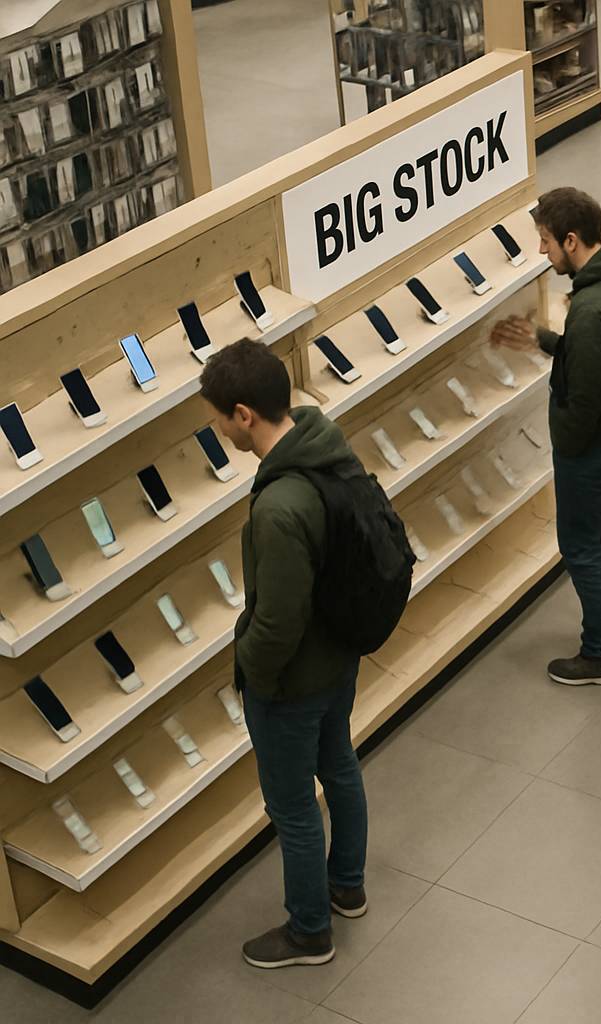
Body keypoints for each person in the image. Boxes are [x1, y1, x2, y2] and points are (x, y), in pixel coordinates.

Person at [199, 341, 368, 969]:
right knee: (341, 765)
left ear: (244, 415)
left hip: (294, 681)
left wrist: (253, 676)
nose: (217, 429)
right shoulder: (327, 446)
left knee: (294, 807)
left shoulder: (278, 506)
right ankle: (347, 885)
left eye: (218, 417)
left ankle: (309, 931)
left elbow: (277, 621)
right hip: (341, 655)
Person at [492, 187, 601, 686]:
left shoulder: (590, 307)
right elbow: (594, 354)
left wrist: (568, 447)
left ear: (571, 240)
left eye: (546, 242)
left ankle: (598, 654)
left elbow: (584, 396)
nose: (542, 252)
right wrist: (545, 341)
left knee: (580, 545)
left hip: (592, 448)